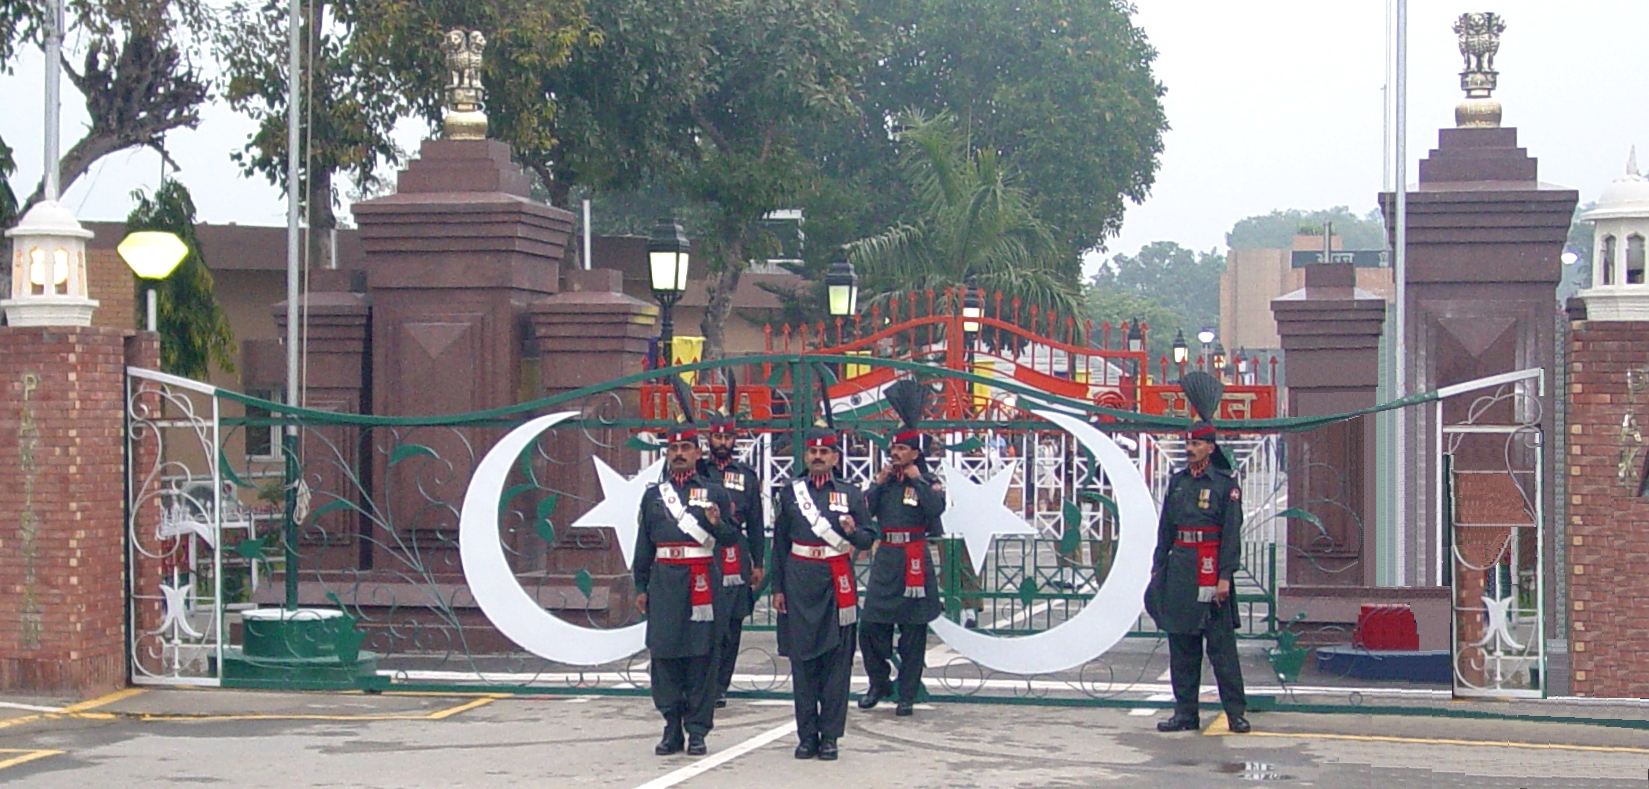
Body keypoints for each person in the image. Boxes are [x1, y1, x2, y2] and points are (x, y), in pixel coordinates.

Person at [633, 422, 739, 756]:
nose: (679, 454)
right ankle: (671, 727)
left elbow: (731, 538)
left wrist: (716, 522)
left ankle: (697, 731)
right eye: (673, 449)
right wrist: (640, 585)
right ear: (668, 453)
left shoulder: (715, 492)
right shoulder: (653, 495)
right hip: (664, 582)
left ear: (697, 453)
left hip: (701, 581)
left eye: (685, 448)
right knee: (665, 655)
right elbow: (644, 546)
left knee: (701, 656)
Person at [771, 425, 874, 761]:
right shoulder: (790, 491)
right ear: (806, 455)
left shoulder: (851, 492)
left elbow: (868, 538)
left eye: (824, 452)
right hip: (800, 580)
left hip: (836, 581)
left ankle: (830, 736)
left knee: (836, 664)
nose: (818, 457)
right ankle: (806, 736)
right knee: (803, 663)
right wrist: (777, 587)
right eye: (813, 452)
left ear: (835, 457)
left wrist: (853, 531)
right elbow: (780, 543)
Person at [1146, 418, 1249, 735]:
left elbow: (1231, 533)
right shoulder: (1178, 483)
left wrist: (1225, 576)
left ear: (1210, 448)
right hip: (1180, 571)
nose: (1189, 449)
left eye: (1195, 444)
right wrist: (1158, 566)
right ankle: (1185, 713)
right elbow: (1166, 529)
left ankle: (1235, 713)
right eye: (1187, 444)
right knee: (1182, 646)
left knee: (1221, 649)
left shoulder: (1223, 484)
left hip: (1211, 568)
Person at [857, 393, 946, 717]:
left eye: (901, 449)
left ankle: (906, 693)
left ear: (915, 453)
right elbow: (865, 511)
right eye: (893, 448)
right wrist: (877, 484)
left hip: (915, 559)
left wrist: (918, 481)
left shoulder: (928, 481)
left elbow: (936, 509)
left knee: (913, 631)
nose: (895, 454)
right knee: (870, 627)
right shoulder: (887, 483)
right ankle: (879, 681)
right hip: (887, 559)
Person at [698, 411, 766, 709]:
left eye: (727, 437)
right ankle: (702, 682)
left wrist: (759, 561)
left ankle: (721, 685)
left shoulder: (747, 475)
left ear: (735, 439)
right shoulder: (699, 471)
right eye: (717, 436)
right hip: (705, 549)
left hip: (736, 552)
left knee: (732, 622)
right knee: (705, 619)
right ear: (708, 438)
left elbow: (755, 521)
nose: (722, 442)